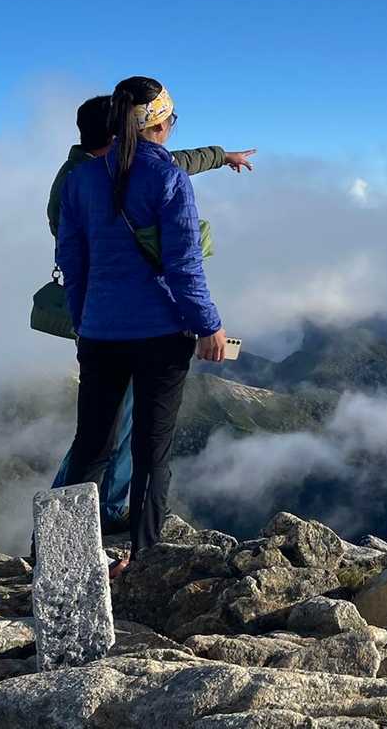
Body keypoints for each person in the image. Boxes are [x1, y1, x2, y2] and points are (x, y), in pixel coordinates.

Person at [46, 95, 254, 534]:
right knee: (144, 446)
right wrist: (207, 324)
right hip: (154, 329)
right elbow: (183, 264)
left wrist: (223, 155)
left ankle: (64, 540)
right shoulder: (152, 177)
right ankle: (129, 542)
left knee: (96, 440)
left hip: (100, 327)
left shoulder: (79, 179)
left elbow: (72, 259)